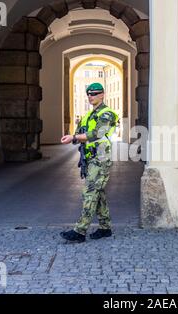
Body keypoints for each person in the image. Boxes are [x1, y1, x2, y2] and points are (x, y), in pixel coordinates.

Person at [60, 83, 119, 243]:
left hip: (100, 159)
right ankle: (105, 228)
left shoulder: (107, 114)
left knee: (90, 192)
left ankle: (80, 230)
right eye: (89, 94)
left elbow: (96, 133)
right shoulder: (88, 115)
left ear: (102, 95)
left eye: (94, 93)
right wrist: (73, 136)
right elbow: (80, 133)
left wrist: (74, 137)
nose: (91, 96)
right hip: (90, 158)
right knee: (98, 193)